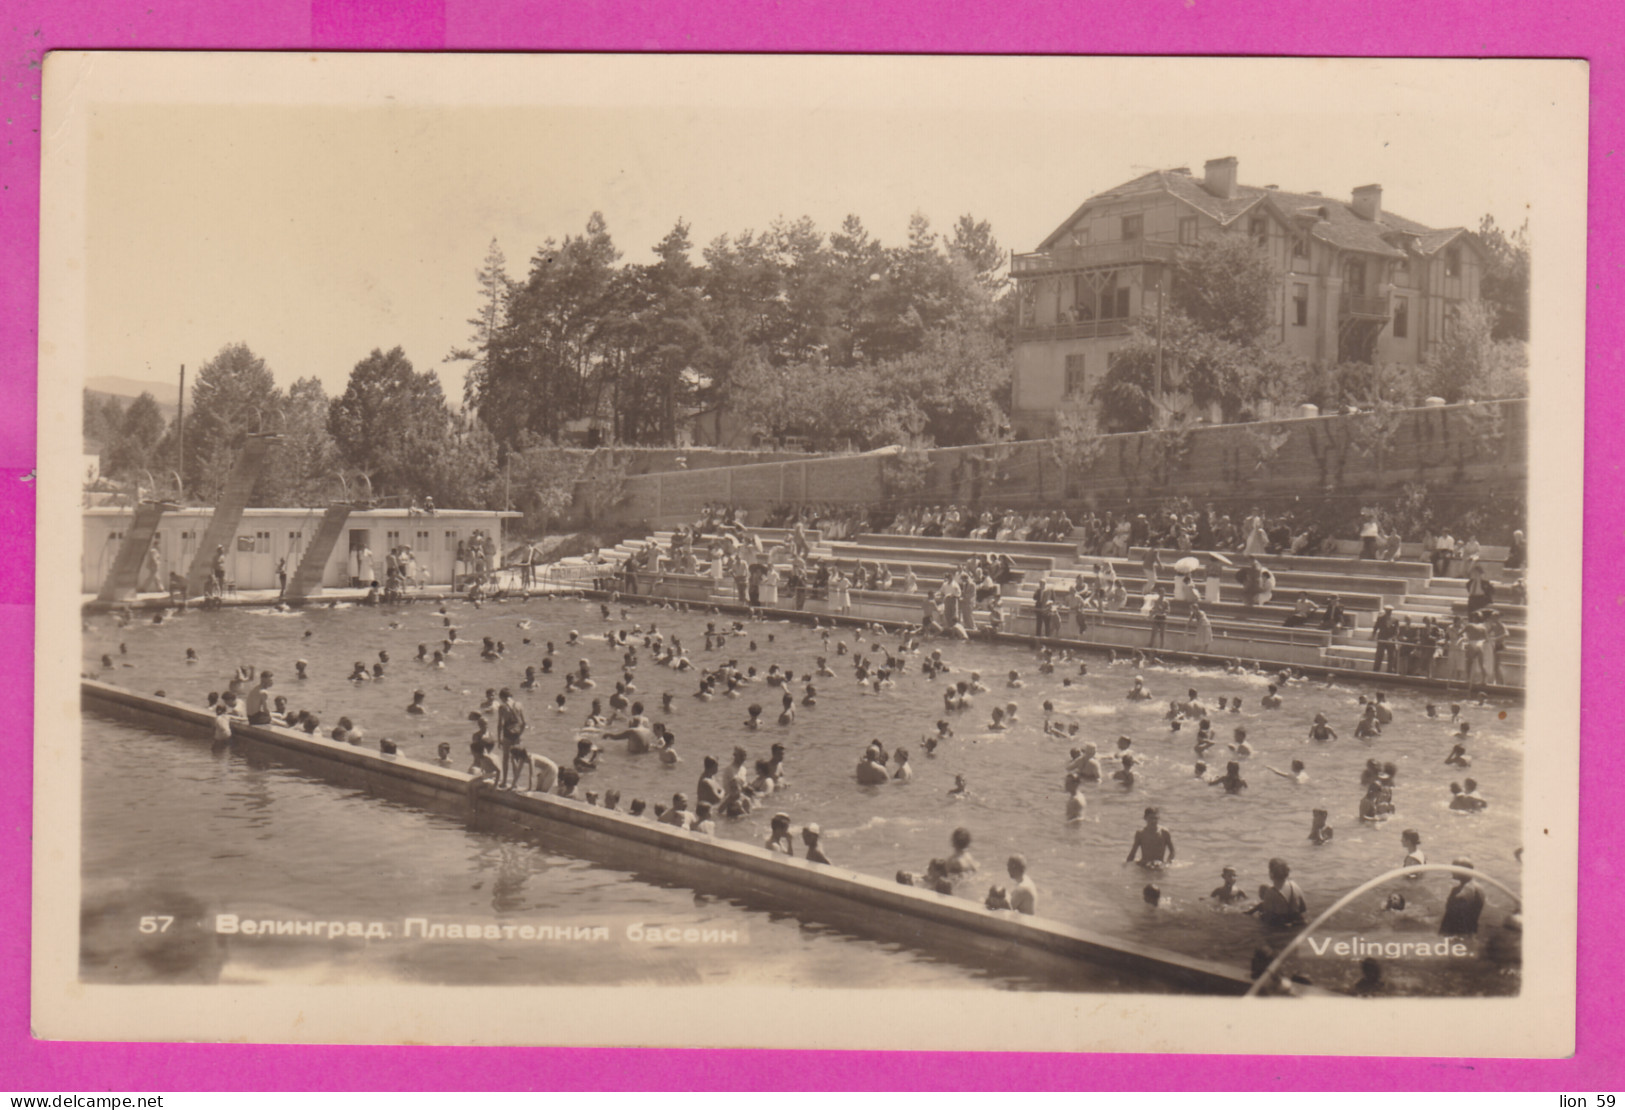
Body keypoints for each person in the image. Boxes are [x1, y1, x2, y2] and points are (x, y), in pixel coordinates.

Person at [1252, 858, 1307, 927]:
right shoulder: (1295, 885)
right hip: (1298, 925)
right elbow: (1303, 909)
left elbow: (1268, 918)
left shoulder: (1271, 893)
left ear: (1271, 873)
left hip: (1281, 928)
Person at [1439, 858, 1486, 936]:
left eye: (1454, 868)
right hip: (1471, 932)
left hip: (1457, 935)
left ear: (1463, 870)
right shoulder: (1479, 887)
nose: (1451, 871)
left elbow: (1450, 920)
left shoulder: (1460, 892)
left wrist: (1441, 937)